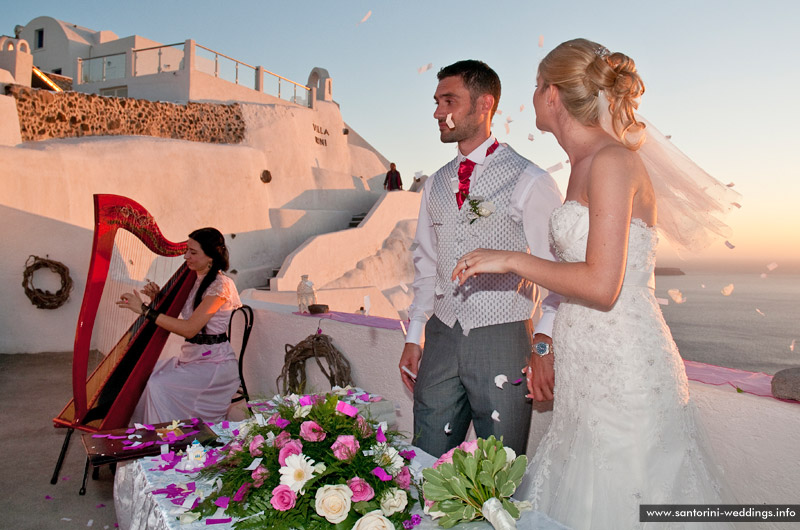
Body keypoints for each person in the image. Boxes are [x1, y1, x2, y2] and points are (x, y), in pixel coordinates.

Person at [453, 39, 737, 529]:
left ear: (554, 94)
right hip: (586, 360)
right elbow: (575, 278)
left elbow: (603, 285)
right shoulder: (583, 165)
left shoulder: (611, 161)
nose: (535, 95)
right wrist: (546, 344)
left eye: (538, 85)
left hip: (623, 365)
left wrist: (510, 259)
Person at [399, 60, 563, 458]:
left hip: (504, 336)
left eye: (449, 100)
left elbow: (558, 274)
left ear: (485, 104)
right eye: (437, 101)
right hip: (440, 335)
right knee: (426, 458)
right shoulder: (435, 182)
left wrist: (544, 341)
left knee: (499, 466)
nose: (439, 112)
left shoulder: (531, 180)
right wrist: (414, 334)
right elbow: (426, 262)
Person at [116, 227, 242, 425]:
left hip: (214, 365)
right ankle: (160, 437)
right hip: (191, 358)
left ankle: (163, 443)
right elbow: (186, 312)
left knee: (158, 385)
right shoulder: (193, 281)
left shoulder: (221, 285)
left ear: (211, 256)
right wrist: (158, 298)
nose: (186, 257)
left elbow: (190, 328)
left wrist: (144, 310)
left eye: (193, 252)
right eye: (186, 251)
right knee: (140, 376)